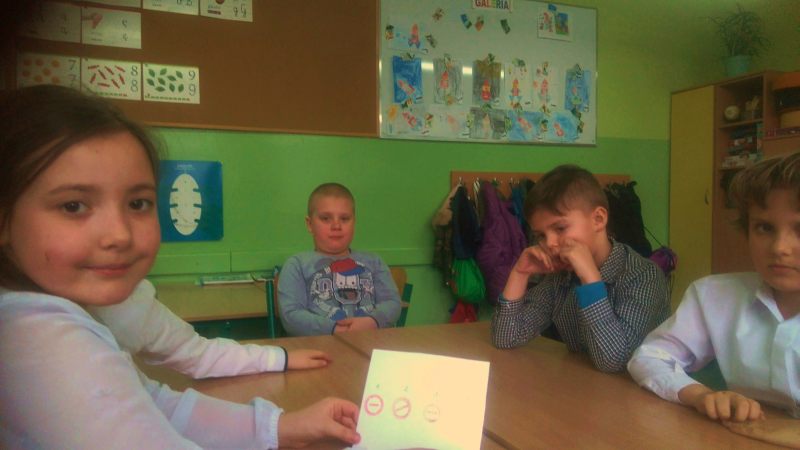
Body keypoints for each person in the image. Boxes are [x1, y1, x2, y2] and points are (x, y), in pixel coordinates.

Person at [0, 85, 361, 449]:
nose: (120, 234)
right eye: (73, 206)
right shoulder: (39, 340)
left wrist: (281, 426)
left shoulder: (114, 303)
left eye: (138, 203)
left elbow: (154, 402)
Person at [628, 152, 800, 422]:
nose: (780, 248)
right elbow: (650, 357)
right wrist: (700, 395)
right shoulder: (715, 295)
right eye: (764, 228)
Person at [491, 164, 670, 372]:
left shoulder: (644, 275)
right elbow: (505, 338)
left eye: (560, 228)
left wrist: (590, 279)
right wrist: (519, 273)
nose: (549, 243)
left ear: (598, 219)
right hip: (587, 384)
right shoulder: (561, 277)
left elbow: (614, 362)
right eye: (541, 235)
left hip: (640, 388)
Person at [278, 183, 401, 336]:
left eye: (344, 218)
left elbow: (392, 303)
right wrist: (335, 329)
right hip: (319, 346)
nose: (336, 226)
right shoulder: (297, 265)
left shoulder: (374, 262)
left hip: (370, 341)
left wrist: (372, 321)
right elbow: (291, 316)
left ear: (354, 222)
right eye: (325, 218)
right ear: (309, 224)